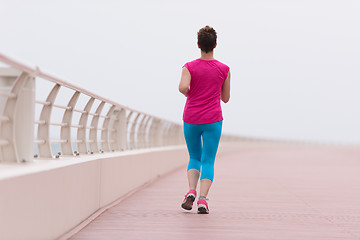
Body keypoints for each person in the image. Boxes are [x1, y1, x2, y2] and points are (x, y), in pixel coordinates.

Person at [179, 25, 230, 214]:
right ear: (215, 44)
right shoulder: (224, 69)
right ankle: (202, 200)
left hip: (191, 117)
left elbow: (182, 87)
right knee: (208, 160)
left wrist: (190, 92)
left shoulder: (189, 67)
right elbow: (225, 98)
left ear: (198, 44)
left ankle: (190, 191)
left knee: (194, 157)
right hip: (213, 119)